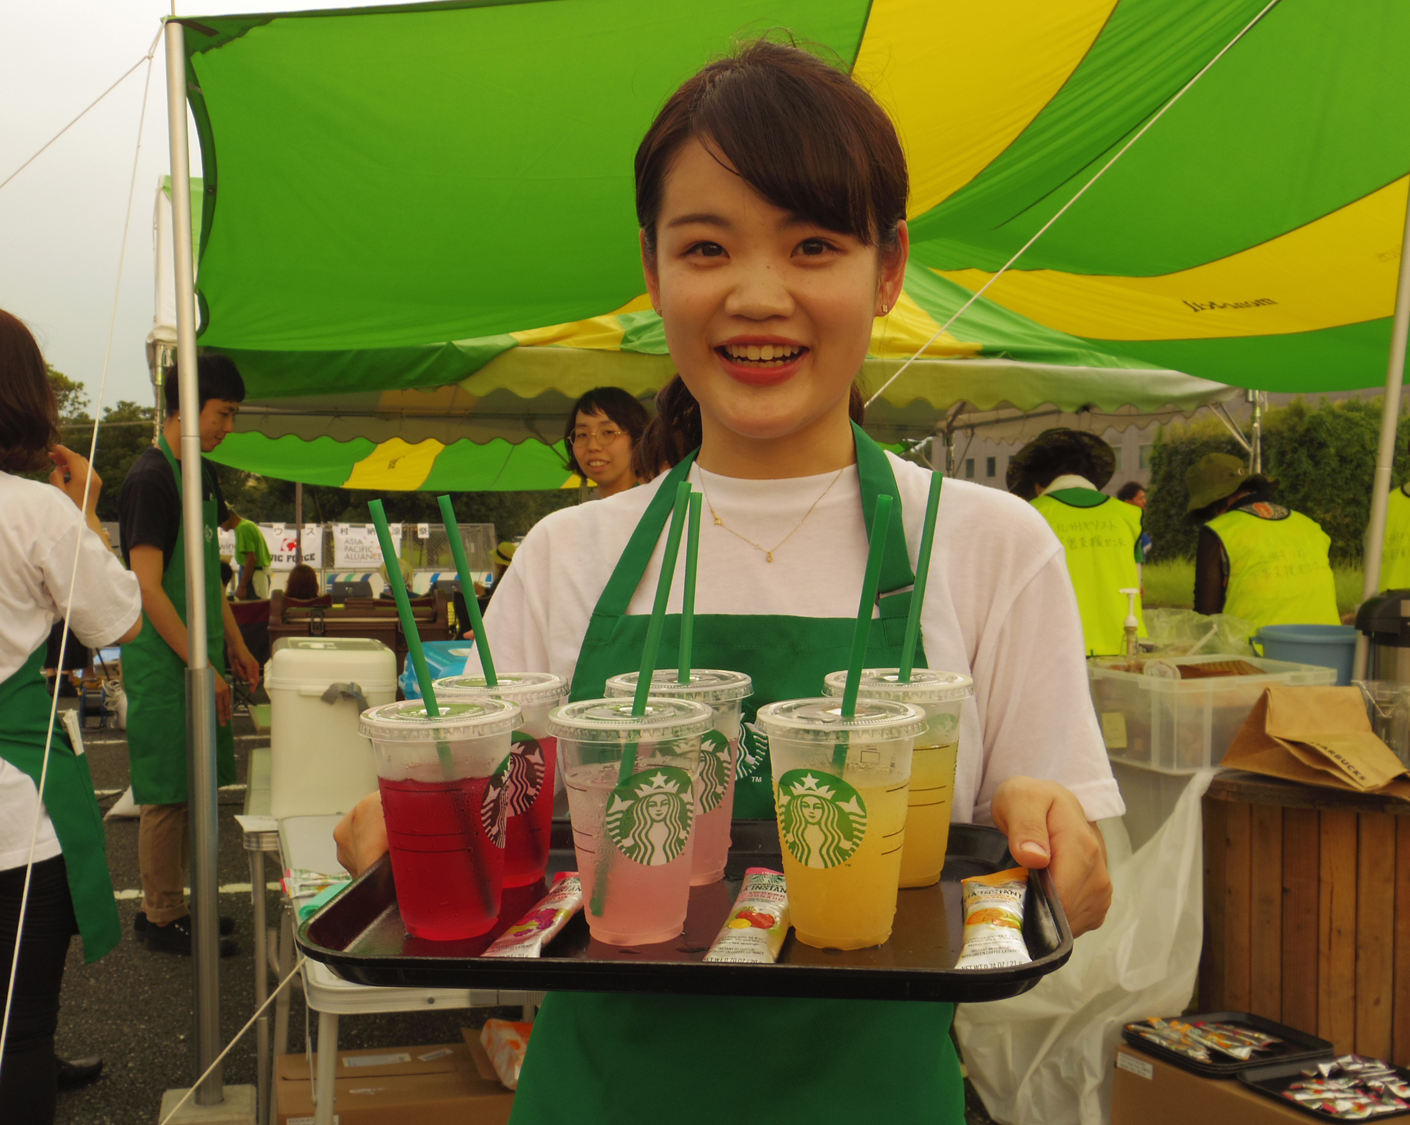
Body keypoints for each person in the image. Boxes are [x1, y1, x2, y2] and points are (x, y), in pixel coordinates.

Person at [336, 41, 1118, 1125]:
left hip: (877, 1099)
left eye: (813, 245)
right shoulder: (572, 554)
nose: (758, 296)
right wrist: (398, 830)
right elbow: (483, 810)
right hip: (598, 1097)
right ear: (655, 272)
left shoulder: (990, 542)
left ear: (887, 269)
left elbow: (1039, 857)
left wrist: (1052, 835)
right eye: (707, 248)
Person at [0, 303, 142, 1123]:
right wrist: (83, 502)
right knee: (15, 1033)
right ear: (20, 394)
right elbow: (118, 621)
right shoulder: (34, 508)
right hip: (17, 809)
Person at [119, 354, 258, 956]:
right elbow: (147, 588)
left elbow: (205, 580)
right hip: (162, 660)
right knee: (166, 793)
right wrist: (201, 665)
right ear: (188, 405)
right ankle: (161, 914)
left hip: (196, 654)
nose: (229, 425)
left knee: (191, 787)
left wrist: (235, 645)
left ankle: (175, 905)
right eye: (224, 412)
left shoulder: (199, 472)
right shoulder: (151, 478)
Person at [1007, 429, 1145, 656]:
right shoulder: (1128, 515)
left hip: (1055, 653)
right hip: (1124, 649)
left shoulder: (1030, 515)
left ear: (1038, 484)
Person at [1187, 452, 1337, 629]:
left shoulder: (1219, 531)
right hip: (1329, 649)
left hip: (1256, 653)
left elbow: (1206, 620)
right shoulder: (1310, 525)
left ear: (1212, 504)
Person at [563, 386, 648, 498]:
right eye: (582, 434)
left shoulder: (665, 508)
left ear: (638, 437)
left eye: (608, 432)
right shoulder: (581, 514)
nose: (592, 446)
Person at [225, 512, 271, 599]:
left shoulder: (243, 528)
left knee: (253, 609)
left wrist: (242, 586)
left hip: (253, 576)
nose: (219, 525)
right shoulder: (245, 525)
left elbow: (251, 559)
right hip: (255, 574)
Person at [1117, 480, 1154, 563]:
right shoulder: (1121, 525)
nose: (1145, 502)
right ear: (1128, 502)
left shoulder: (1137, 523)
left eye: (1144, 498)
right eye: (1141, 498)